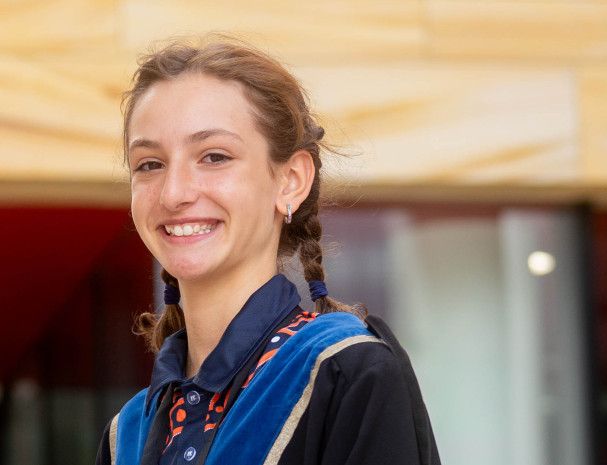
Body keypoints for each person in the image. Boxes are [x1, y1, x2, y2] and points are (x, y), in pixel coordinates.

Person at [95, 36, 440, 465]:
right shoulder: (126, 433)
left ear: (290, 180)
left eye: (214, 156)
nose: (173, 192)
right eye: (150, 164)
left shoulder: (345, 372)